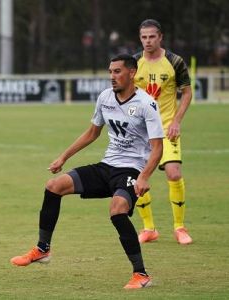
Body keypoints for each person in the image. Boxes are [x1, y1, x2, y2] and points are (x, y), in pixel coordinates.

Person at [10, 54, 164, 289]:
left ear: (132, 73)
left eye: (117, 71)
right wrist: (64, 156)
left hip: (131, 170)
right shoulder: (105, 97)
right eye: (110, 71)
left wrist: (144, 177)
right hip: (107, 166)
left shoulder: (146, 104)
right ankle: (43, 249)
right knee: (54, 186)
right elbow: (92, 133)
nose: (112, 76)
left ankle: (141, 275)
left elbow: (157, 148)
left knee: (117, 210)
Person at [133, 19, 193, 245]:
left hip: (167, 128)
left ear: (160, 37)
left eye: (152, 37)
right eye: (144, 37)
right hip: (140, 132)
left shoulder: (175, 61)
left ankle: (180, 227)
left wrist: (177, 121)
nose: (148, 41)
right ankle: (149, 229)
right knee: (135, 178)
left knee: (174, 173)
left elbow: (186, 93)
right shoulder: (134, 63)